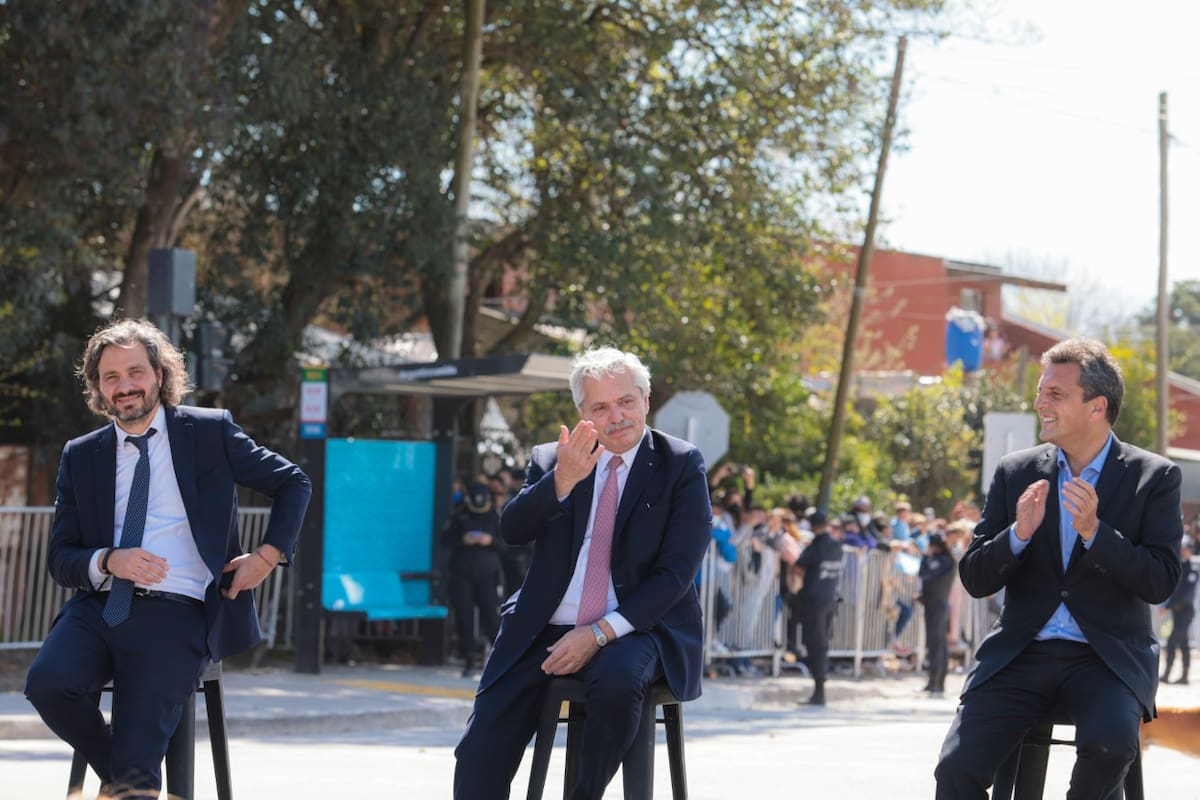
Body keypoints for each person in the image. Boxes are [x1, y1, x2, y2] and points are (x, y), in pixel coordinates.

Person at [24, 318, 311, 799]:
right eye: (110, 377)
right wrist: (110, 560)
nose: (125, 386)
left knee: (138, 758)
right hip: (98, 609)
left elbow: (293, 482)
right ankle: (126, 778)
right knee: (48, 684)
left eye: (135, 371)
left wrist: (266, 556)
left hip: (178, 612)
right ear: (97, 386)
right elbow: (61, 558)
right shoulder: (82, 455)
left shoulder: (208, 431)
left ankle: (128, 777)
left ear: (159, 373)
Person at [452, 346, 711, 800]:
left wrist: (598, 634)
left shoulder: (680, 464)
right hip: (543, 625)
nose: (617, 416)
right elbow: (512, 529)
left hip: (635, 626)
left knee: (618, 679)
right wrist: (562, 482)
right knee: (479, 750)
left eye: (626, 401)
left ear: (646, 400)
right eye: (601, 407)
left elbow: (676, 574)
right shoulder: (555, 459)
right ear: (582, 413)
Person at [934, 338, 1184, 799]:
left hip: (1106, 658)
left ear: (1096, 406)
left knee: (1110, 747)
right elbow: (974, 577)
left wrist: (1096, 532)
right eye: (1040, 391)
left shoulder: (1155, 477)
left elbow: (1161, 580)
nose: (1039, 404)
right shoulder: (1017, 471)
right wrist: (1018, 534)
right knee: (955, 769)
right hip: (1021, 654)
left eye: (1055, 394)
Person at [442, 480, 503, 677]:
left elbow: (507, 544)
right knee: (464, 619)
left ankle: (499, 662)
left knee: (491, 619)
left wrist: (490, 541)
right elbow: (445, 540)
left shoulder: (495, 517)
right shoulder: (459, 516)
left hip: (487, 573)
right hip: (462, 574)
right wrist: (463, 540)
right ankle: (468, 660)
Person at [789, 510, 844, 705]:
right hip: (830, 600)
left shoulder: (817, 546)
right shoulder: (837, 546)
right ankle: (819, 689)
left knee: (815, 645)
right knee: (822, 645)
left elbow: (798, 566)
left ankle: (818, 691)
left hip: (814, 602)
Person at [917, 532, 956, 696]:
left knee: (936, 644)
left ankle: (936, 682)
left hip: (936, 606)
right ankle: (936, 681)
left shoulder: (942, 561)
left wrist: (925, 558)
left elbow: (925, 574)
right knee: (939, 644)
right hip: (937, 605)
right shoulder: (946, 561)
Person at [1160, 535, 1196, 684]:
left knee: (1172, 641)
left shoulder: (1192, 570)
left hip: (1185, 612)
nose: (1183, 552)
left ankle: (1168, 673)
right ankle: (1184, 675)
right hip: (1177, 611)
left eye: (1185, 549)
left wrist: (1167, 606)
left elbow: (1184, 594)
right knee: (1183, 643)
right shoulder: (1180, 568)